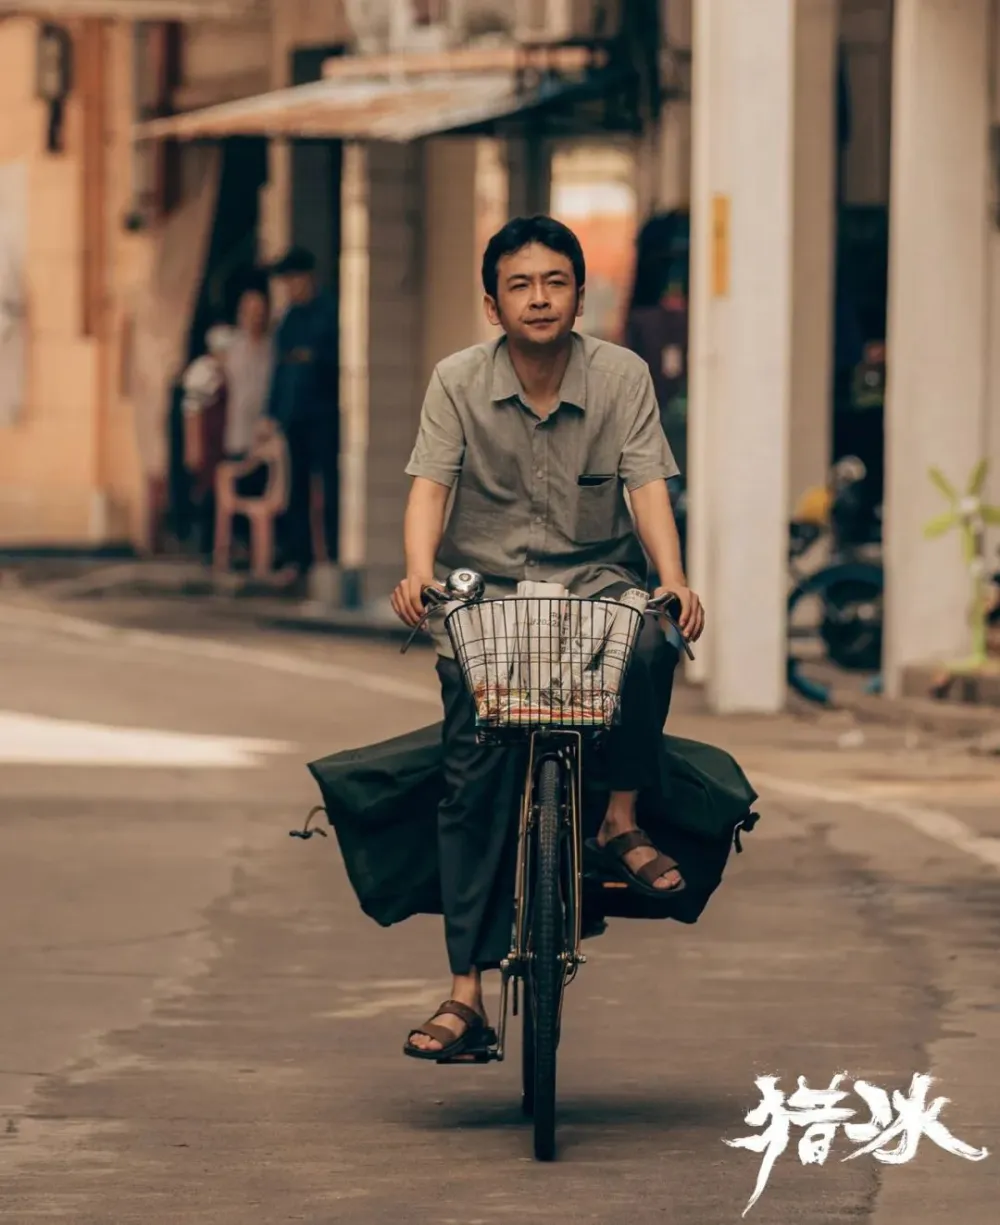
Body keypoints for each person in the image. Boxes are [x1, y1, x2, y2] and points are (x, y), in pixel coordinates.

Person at [390, 215, 705, 1061]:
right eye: (520, 284)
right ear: (492, 303)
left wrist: (671, 578)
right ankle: (467, 992)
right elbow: (430, 486)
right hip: (484, 596)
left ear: (579, 293)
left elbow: (646, 486)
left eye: (556, 281)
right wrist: (419, 570)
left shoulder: (621, 376)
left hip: (595, 584)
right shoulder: (457, 380)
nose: (539, 298)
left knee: (650, 641)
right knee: (473, 775)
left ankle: (621, 818)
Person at [265, 247, 339, 588]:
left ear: (307, 277)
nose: (290, 287)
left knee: (330, 486)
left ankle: (335, 554)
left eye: (293, 279)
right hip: (293, 416)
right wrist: (271, 413)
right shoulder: (289, 319)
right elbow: (280, 368)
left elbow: (328, 361)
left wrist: (308, 358)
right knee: (295, 491)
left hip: (323, 415)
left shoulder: (328, 313)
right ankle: (298, 557)